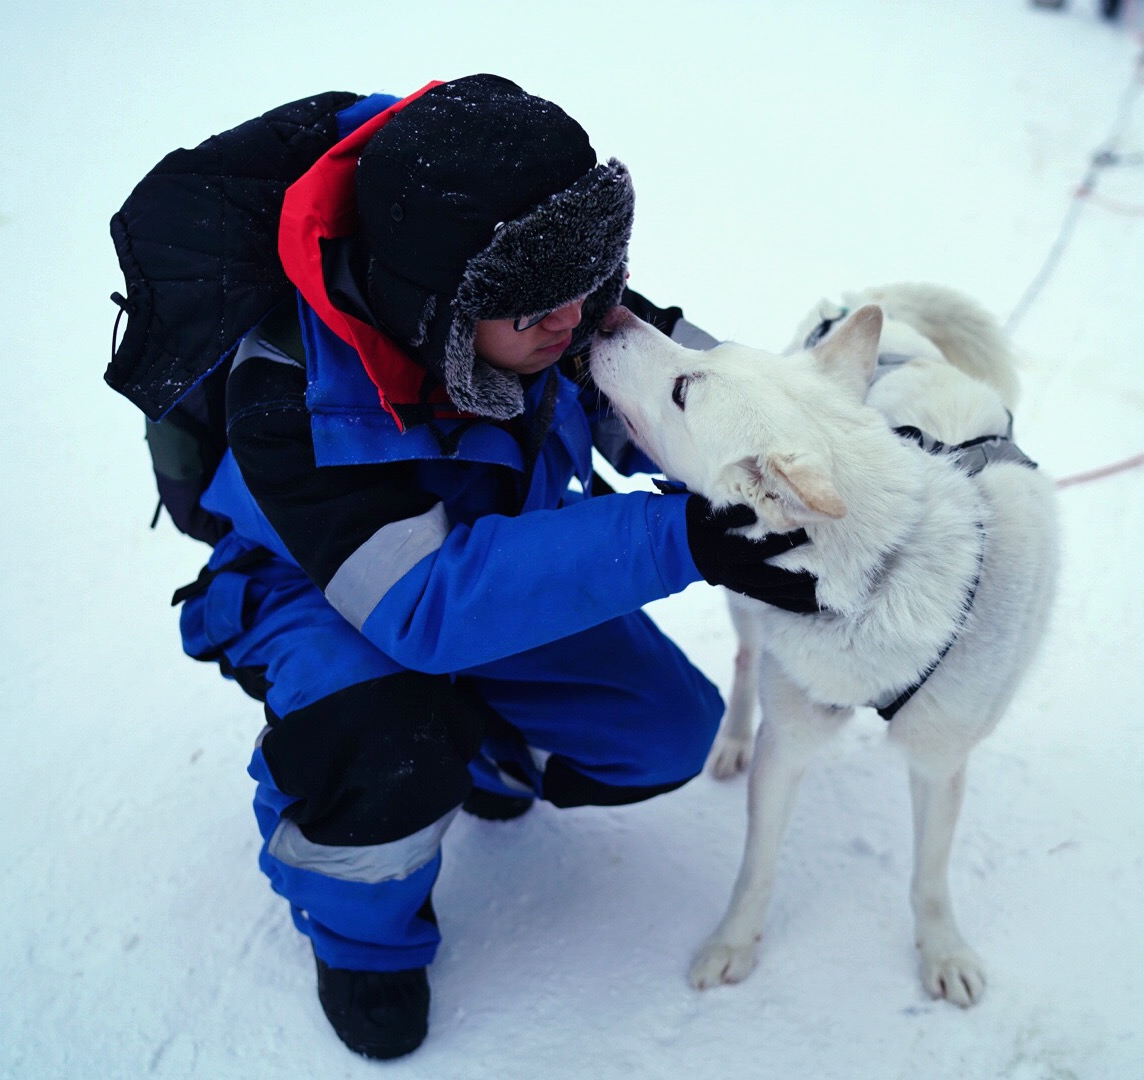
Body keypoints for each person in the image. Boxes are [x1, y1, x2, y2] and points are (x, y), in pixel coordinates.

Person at [170, 74, 818, 1060]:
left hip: (492, 567)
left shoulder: (544, 299)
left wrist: (804, 450)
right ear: (431, 305)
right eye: (535, 311)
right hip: (322, 596)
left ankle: (478, 740)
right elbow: (420, 599)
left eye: (586, 287)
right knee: (390, 743)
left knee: (663, 731)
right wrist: (681, 539)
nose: (572, 323)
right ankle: (362, 944)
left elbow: (684, 387)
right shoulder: (288, 396)